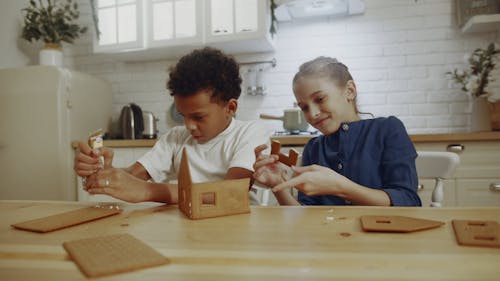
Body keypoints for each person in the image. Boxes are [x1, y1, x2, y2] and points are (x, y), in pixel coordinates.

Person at [75, 47, 270, 204]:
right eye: (182, 115)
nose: (189, 126)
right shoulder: (176, 138)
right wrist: (104, 171)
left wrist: (150, 191)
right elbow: (133, 177)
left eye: (198, 117)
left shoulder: (251, 133)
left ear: (230, 107)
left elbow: (230, 193)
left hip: (238, 228)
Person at [253, 57, 421, 206]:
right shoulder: (314, 148)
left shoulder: (387, 130)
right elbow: (305, 216)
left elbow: (408, 201)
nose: (312, 114)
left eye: (320, 99)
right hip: (328, 240)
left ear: (350, 91)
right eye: (304, 108)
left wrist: (341, 187)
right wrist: (278, 186)